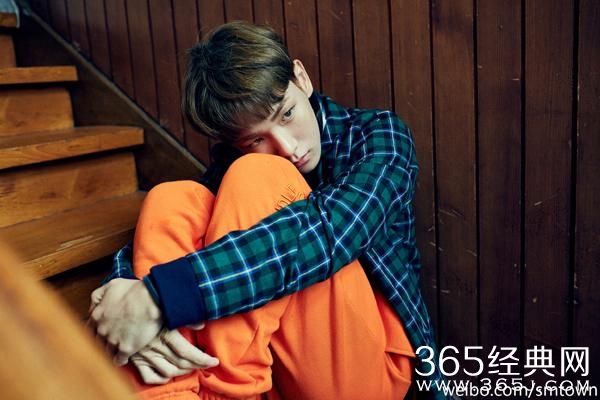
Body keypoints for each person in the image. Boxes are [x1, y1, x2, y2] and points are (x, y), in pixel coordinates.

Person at [89, 21, 447, 399]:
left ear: (301, 78)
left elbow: (327, 233)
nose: (289, 148)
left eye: (287, 113)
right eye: (256, 138)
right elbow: (152, 243)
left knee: (259, 175)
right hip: (281, 368)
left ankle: (226, 392)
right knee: (173, 200)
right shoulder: (234, 165)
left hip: (371, 368)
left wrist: (161, 297)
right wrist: (121, 299)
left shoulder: (380, 137)